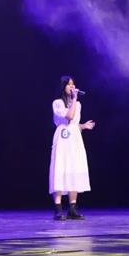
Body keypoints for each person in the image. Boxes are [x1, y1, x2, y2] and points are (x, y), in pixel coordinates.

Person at [49, 75, 95, 220]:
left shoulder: (78, 104)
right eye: (69, 84)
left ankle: (73, 208)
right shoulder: (57, 103)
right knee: (60, 168)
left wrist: (83, 126)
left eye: (73, 84)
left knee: (74, 169)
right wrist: (74, 99)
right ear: (63, 87)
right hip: (62, 138)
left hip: (75, 138)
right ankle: (58, 208)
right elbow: (68, 117)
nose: (72, 87)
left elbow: (74, 124)